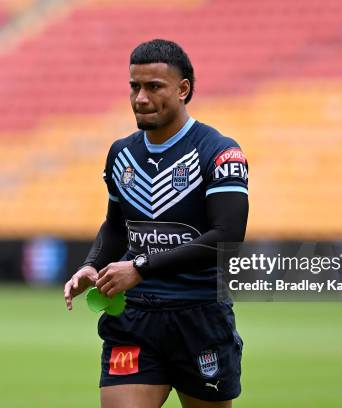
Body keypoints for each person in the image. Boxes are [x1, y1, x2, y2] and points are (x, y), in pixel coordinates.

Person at [64, 39, 249, 408]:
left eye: (154, 87)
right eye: (135, 86)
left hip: (198, 318)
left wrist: (141, 267)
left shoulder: (219, 151)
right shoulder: (122, 153)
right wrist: (91, 264)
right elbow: (117, 227)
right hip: (134, 318)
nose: (141, 98)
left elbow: (226, 238)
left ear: (183, 90)